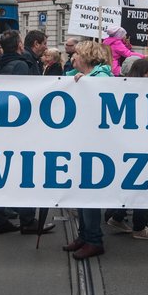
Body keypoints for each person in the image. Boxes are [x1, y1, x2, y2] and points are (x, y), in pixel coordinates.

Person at [0, 30, 55, 235]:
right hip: (21, 127)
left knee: (4, 174)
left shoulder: (2, 63)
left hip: (6, 127)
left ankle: (0, 219)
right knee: (26, 173)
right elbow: (27, 95)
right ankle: (27, 220)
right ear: (20, 45)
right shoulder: (21, 64)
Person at [62, 41, 113, 259]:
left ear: (87, 57)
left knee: (89, 192)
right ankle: (84, 235)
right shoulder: (76, 76)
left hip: (96, 144)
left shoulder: (101, 79)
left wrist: (86, 85)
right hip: (81, 141)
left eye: (77, 54)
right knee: (80, 191)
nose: (73, 57)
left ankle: (94, 239)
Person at [103, 58, 148, 241]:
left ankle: (118, 217)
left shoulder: (123, 87)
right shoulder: (147, 91)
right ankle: (139, 227)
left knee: (135, 184)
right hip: (142, 145)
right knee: (145, 186)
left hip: (130, 145)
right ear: (144, 74)